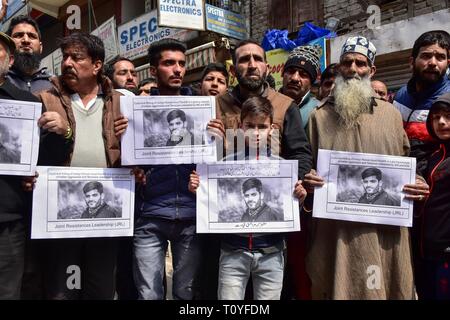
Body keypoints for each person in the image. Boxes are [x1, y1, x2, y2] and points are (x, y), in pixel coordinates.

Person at [302, 35, 430, 299]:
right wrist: (309, 179)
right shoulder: (318, 117)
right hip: (336, 230)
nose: (352, 69)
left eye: (360, 63)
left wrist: (416, 180)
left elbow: (405, 161)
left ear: (371, 71)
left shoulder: (392, 115)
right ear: (338, 68)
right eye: (347, 62)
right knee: (338, 283)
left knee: (387, 282)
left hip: (385, 229)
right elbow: (306, 167)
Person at [189, 96, 307, 300]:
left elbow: (289, 209)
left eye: (262, 126)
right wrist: (198, 188)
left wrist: (300, 196)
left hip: (272, 252)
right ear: (240, 127)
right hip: (233, 251)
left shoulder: (284, 168)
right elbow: (211, 202)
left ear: (272, 128)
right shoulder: (223, 165)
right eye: (250, 126)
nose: (256, 132)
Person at [36, 32, 123, 300]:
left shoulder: (120, 101)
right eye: (65, 57)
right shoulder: (45, 99)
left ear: (96, 65)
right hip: (61, 214)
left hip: (106, 220)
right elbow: (31, 155)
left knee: (100, 287)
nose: (67, 63)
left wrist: (135, 164)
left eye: (77, 57)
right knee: (63, 288)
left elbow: (135, 153)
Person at [116, 38, 201, 300]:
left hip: (190, 215)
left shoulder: (202, 108)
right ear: (153, 70)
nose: (177, 69)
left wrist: (217, 137)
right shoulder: (134, 112)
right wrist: (122, 142)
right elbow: (124, 161)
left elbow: (214, 161)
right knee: (148, 293)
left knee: (185, 293)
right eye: (168, 63)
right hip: (150, 215)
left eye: (181, 64)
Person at [212, 39, 312, 179]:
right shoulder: (215, 106)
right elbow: (204, 156)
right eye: (245, 59)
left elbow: (300, 155)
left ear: (267, 68)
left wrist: (295, 183)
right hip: (229, 192)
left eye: (258, 59)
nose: (252, 65)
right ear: (233, 71)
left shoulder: (286, 106)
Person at [0, 31, 40, 300]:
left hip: (9, 223)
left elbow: (42, 159)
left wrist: (64, 133)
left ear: (10, 59)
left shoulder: (26, 104)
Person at [394, 30, 450, 172]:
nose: (432, 63)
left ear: (448, 63)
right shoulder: (400, 96)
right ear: (412, 61)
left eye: (440, 57)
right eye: (426, 56)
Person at [414, 92, 450, 299]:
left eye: (448, 115)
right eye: (436, 117)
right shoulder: (434, 155)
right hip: (427, 253)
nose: (442, 122)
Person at [6, 15, 52, 93]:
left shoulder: (54, 85)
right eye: (18, 35)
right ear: (8, 45)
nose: (26, 40)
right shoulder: (1, 79)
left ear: (41, 47)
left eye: (32, 36)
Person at [279, 45, 321, 129]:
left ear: (311, 82)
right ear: (283, 74)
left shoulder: (318, 111)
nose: (295, 78)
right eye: (291, 71)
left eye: (303, 74)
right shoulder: (267, 104)